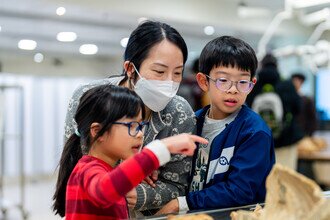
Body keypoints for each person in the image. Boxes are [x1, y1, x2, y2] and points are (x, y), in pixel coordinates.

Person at [63, 20, 196, 214]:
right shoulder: (92, 98)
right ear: (130, 68)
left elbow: (176, 186)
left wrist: (140, 192)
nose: (169, 82)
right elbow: (81, 173)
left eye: (177, 73)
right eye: (159, 71)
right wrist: (147, 161)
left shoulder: (179, 112)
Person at [157, 36, 275, 214]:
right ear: (204, 81)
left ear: (252, 85)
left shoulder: (254, 132)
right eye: (223, 80)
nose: (233, 89)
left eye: (243, 82)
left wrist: (183, 203)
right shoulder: (190, 122)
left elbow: (241, 191)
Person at [53, 85, 208, 219]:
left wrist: (141, 169)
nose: (140, 133)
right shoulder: (88, 170)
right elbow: (105, 190)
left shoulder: (103, 169)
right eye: (131, 126)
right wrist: (160, 149)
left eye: (141, 125)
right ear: (97, 131)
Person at [247, 53, 303, 170]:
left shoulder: (253, 85)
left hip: (261, 140)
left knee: (264, 178)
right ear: (277, 66)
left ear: (261, 66)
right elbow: (298, 108)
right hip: (286, 140)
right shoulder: (287, 84)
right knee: (286, 178)